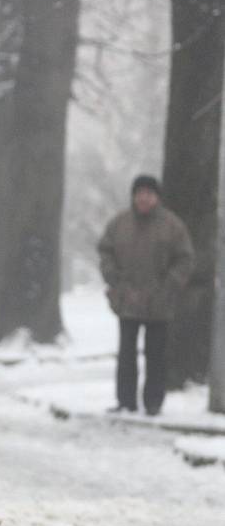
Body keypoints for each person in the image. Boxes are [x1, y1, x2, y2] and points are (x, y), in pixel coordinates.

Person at [97, 174, 194, 416]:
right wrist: (114, 280)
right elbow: (105, 250)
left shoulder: (173, 226)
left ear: (157, 197)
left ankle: (153, 402)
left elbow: (185, 259)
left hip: (159, 302)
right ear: (133, 196)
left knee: (156, 355)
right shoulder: (119, 223)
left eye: (149, 194)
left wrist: (170, 285)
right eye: (139, 193)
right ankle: (125, 401)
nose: (144, 198)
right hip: (127, 300)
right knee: (126, 354)